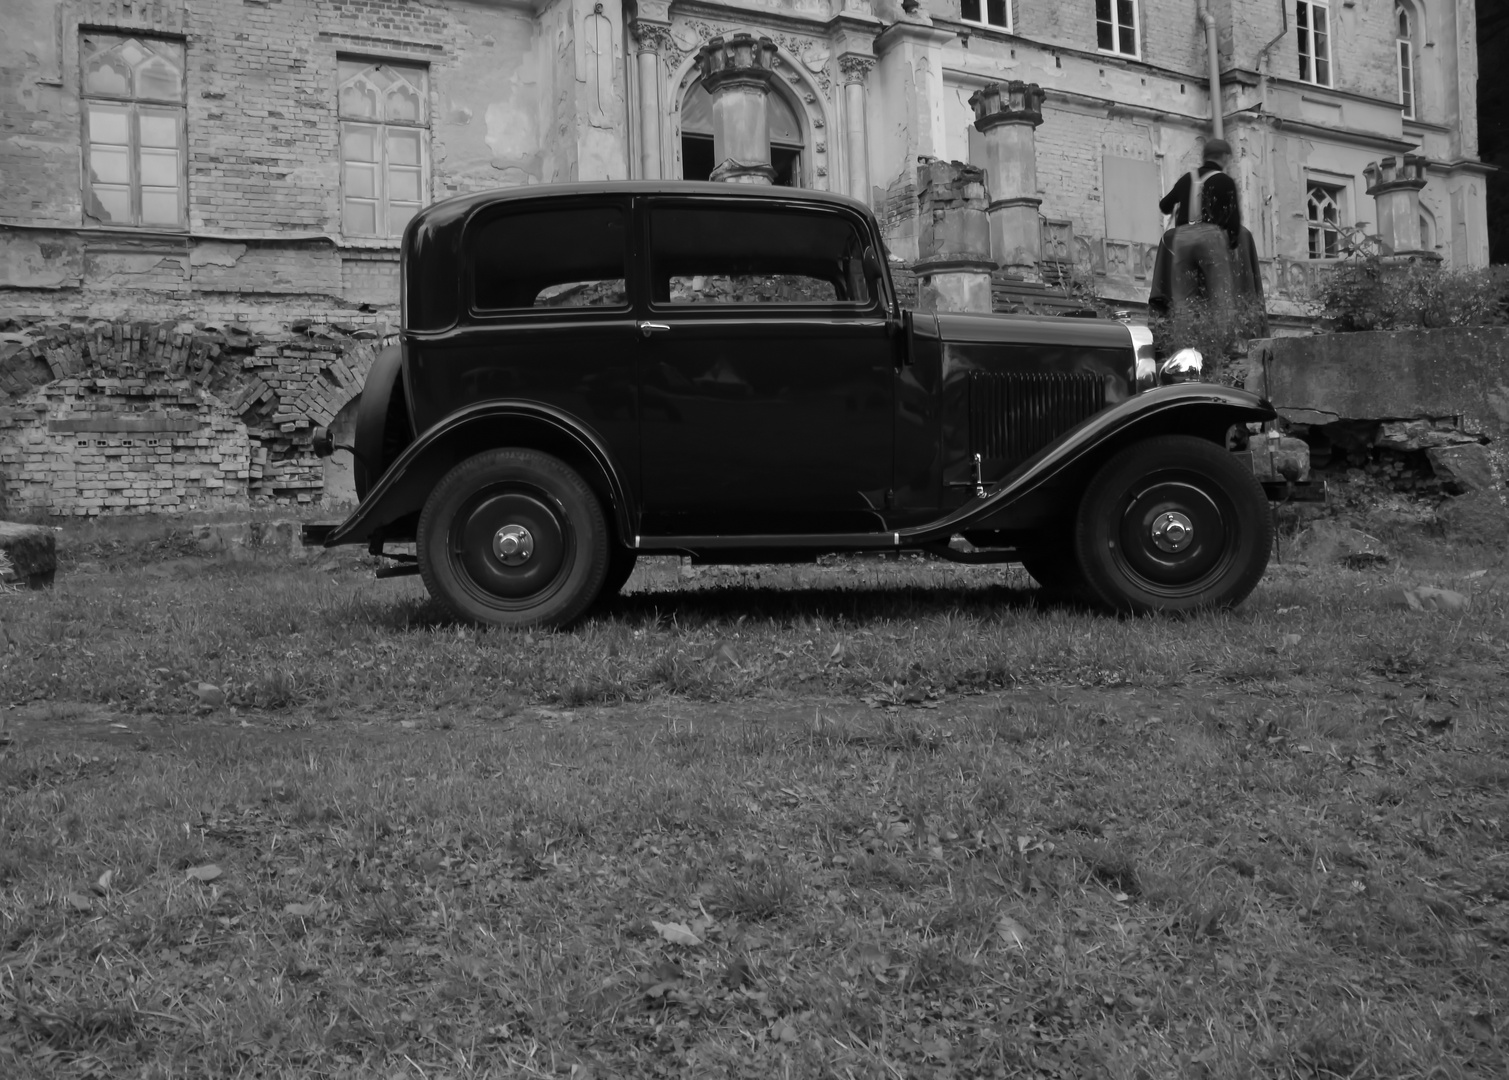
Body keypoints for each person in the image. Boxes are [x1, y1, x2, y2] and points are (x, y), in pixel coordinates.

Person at [1148, 138, 1266, 340]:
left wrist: (1180, 206)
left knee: (1182, 299)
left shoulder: (1187, 178)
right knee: (1220, 297)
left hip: (1183, 237)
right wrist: (1232, 243)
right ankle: (1221, 342)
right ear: (1223, 157)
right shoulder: (1225, 181)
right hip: (1210, 236)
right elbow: (1233, 220)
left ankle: (1183, 343)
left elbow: (1165, 205)